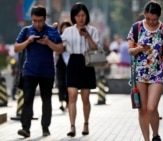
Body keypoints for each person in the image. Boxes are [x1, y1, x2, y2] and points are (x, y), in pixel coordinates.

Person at [127, 1, 163, 141]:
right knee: (142, 108)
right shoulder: (136, 28)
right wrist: (138, 49)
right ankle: (147, 139)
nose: (151, 22)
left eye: (154, 19)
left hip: (157, 72)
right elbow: (130, 50)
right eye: (148, 18)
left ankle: (155, 135)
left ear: (159, 16)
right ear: (144, 15)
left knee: (151, 107)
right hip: (140, 73)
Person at [14, 5, 63, 138]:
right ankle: (25, 128)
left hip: (47, 72)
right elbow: (16, 48)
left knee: (46, 100)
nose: (37, 24)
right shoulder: (26, 31)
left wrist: (48, 43)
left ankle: (45, 128)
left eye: (40, 21)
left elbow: (60, 49)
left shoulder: (52, 31)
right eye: (34, 21)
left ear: (45, 18)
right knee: (28, 99)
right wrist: (28, 41)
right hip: (29, 71)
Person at [61, 2, 100, 137]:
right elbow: (60, 44)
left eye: (83, 15)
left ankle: (86, 123)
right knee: (72, 94)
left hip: (87, 62)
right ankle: (72, 126)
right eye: (77, 15)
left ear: (86, 16)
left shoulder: (93, 30)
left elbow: (96, 48)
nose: (80, 18)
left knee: (85, 97)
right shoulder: (68, 31)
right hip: (73, 62)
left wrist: (87, 36)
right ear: (73, 17)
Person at [54, 21, 72, 112]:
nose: (64, 29)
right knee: (60, 83)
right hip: (60, 63)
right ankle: (61, 102)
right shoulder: (59, 38)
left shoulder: (73, 38)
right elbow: (57, 51)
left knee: (68, 84)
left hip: (70, 62)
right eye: (63, 28)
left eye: (67, 28)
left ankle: (68, 103)